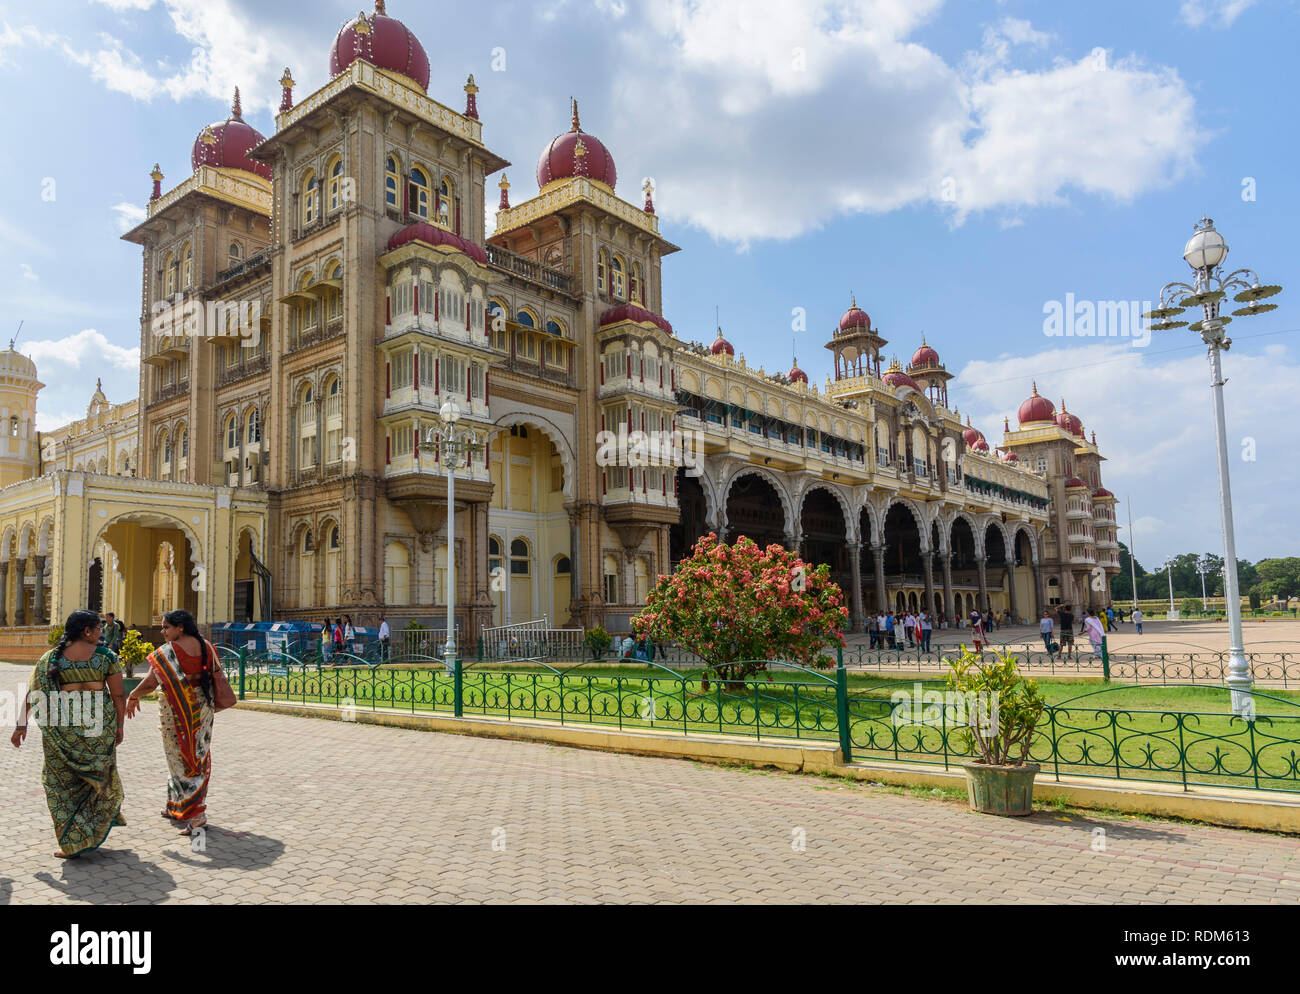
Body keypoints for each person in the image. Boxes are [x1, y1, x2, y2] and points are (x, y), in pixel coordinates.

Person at [10, 610, 127, 859]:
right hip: (99, 728)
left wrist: (22, 724)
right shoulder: (107, 657)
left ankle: (72, 841)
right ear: (86, 631)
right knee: (96, 780)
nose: (101, 632)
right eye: (97, 628)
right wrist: (119, 726)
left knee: (59, 783)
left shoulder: (50, 658)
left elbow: (35, 694)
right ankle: (88, 832)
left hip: (60, 730)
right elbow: (118, 695)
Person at [125, 609, 221, 836]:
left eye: (166, 627)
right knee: (197, 754)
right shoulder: (207, 646)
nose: (162, 631)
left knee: (179, 758)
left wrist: (133, 696)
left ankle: (196, 814)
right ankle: (175, 805)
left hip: (176, 710)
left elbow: (150, 682)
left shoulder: (167, 652)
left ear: (181, 628)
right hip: (203, 708)